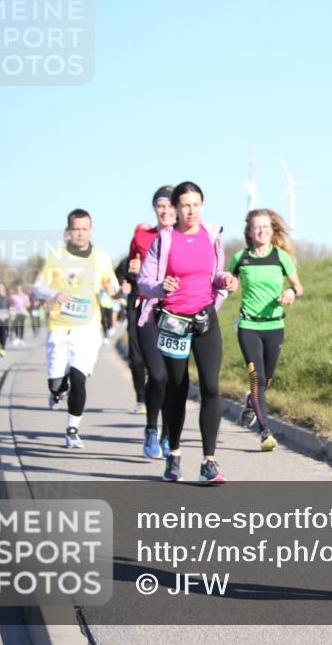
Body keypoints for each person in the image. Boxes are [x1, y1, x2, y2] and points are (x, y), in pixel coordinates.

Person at [137, 182, 237, 483]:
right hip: (173, 321)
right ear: (176, 208)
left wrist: (225, 280)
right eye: (185, 205)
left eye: (196, 204)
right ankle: (175, 454)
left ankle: (209, 461)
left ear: (202, 206)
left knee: (210, 387)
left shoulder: (211, 235)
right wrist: (159, 287)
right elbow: (144, 280)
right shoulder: (165, 240)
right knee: (177, 388)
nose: (191, 211)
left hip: (205, 318)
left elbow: (215, 273)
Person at [33, 209, 119, 449]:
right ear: (68, 232)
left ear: (90, 230)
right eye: (76, 229)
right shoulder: (56, 257)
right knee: (56, 384)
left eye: (85, 229)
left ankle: (72, 429)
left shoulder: (101, 258)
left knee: (79, 378)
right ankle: (58, 390)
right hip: (60, 328)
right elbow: (38, 286)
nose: (80, 233)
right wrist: (53, 293)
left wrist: (113, 288)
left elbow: (111, 284)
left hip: (88, 329)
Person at [229, 209, 304, 451]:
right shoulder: (241, 257)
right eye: (256, 227)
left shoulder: (280, 256)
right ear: (249, 232)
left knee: (266, 379)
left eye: (265, 227)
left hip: (274, 326)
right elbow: (229, 283)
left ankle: (252, 401)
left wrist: (291, 292)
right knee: (257, 378)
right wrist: (228, 284)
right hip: (248, 325)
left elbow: (298, 287)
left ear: (272, 232)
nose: (260, 231)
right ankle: (265, 432)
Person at [119, 186, 176, 458]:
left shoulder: (185, 237)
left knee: (173, 379)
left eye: (169, 206)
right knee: (158, 374)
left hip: (177, 314)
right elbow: (132, 265)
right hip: (148, 310)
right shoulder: (142, 235)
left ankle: (167, 434)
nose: (165, 211)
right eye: (160, 206)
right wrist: (131, 273)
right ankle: (152, 428)